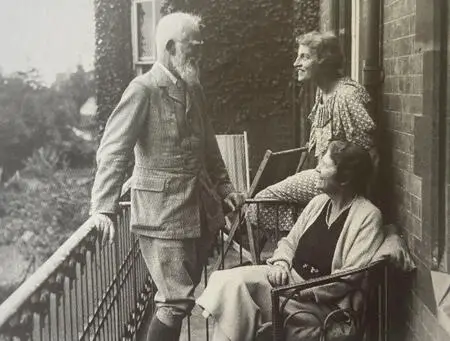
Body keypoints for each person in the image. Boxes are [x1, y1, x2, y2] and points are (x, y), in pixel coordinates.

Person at [87, 12, 245, 341]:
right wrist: (103, 207)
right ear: (170, 47)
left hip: (199, 209)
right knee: (174, 301)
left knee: (181, 301)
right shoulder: (142, 90)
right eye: (193, 47)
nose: (200, 54)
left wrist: (226, 186)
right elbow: (114, 150)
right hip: (161, 214)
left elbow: (209, 146)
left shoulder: (193, 88)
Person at [196, 140, 384, 341]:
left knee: (235, 301)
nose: (317, 169)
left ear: (345, 179)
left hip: (318, 303)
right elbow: (289, 242)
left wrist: (301, 291)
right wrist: (280, 263)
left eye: (325, 165)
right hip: (288, 282)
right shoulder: (319, 203)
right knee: (228, 281)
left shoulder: (368, 216)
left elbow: (347, 278)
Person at [248, 31, 377, 232]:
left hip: (339, 186)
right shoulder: (323, 92)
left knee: (260, 203)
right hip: (323, 178)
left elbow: (369, 152)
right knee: (261, 206)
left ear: (324, 61)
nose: (296, 63)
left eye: (305, 57)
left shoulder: (347, 95)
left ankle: (310, 236)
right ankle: (310, 236)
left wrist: (359, 202)